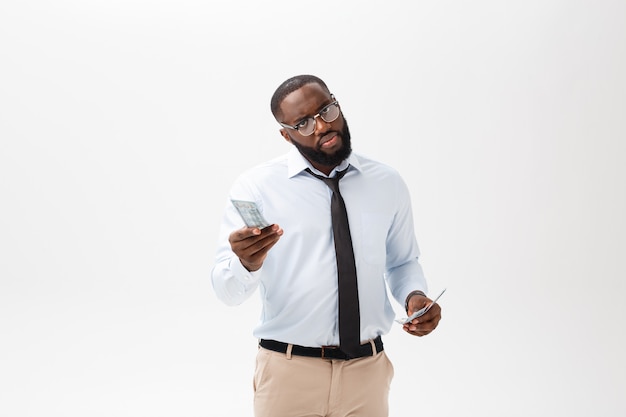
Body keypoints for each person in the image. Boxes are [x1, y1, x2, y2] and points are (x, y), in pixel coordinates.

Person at [211, 74, 442, 417]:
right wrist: (246, 264)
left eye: (326, 110)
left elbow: (402, 262)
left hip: (367, 373)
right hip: (289, 373)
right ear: (285, 135)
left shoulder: (386, 182)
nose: (321, 126)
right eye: (303, 123)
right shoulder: (257, 188)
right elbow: (227, 292)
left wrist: (414, 297)